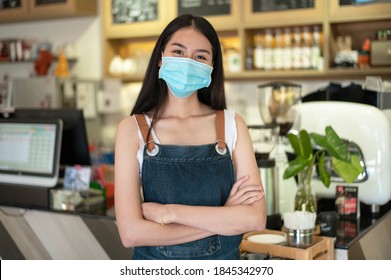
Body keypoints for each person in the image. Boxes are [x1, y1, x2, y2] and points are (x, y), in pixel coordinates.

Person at [114, 14, 266, 260]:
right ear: (160, 59)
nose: (188, 63)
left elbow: (255, 218)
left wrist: (169, 213)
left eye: (200, 57)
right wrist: (224, 216)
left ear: (211, 68)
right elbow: (131, 233)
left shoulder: (232, 125)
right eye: (178, 51)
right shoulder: (131, 129)